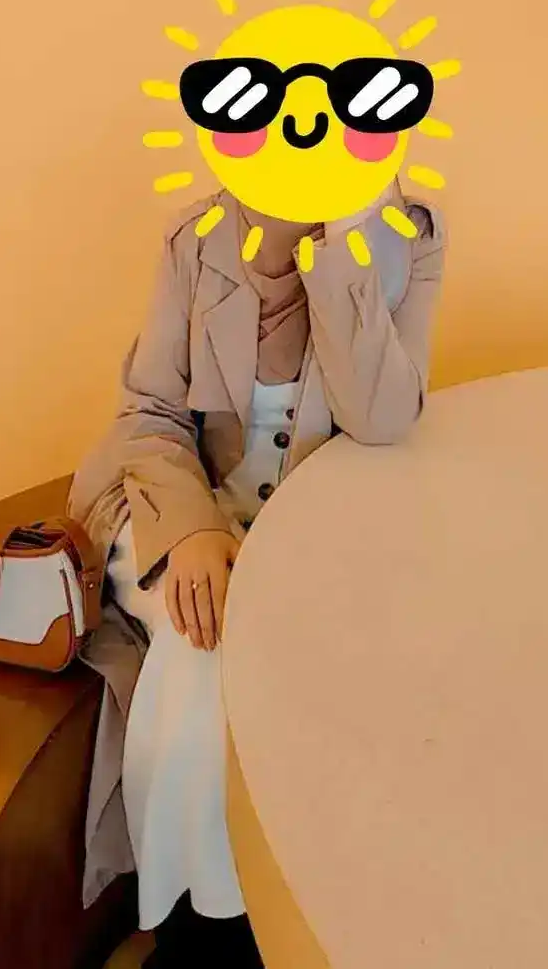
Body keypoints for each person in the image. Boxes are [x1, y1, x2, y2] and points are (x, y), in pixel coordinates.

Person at [68, 180, 445, 966]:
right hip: (169, 502)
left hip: (307, 534)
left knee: (298, 653)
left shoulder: (408, 237)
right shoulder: (195, 236)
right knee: (201, 639)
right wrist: (193, 529)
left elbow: (382, 420)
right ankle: (200, 926)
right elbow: (149, 413)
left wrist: (341, 243)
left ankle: (222, 915)